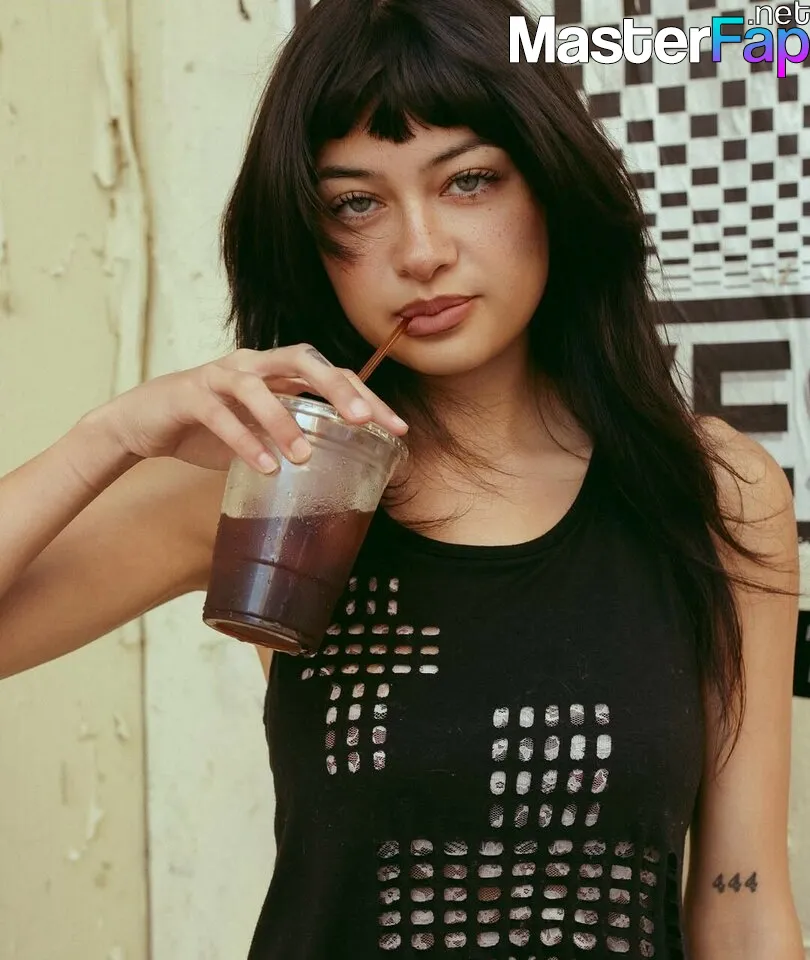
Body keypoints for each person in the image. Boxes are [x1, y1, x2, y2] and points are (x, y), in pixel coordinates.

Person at [0, 0, 804, 956]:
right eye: (357, 202)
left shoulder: (713, 491)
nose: (421, 252)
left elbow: (743, 899)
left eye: (468, 180)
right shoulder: (288, 480)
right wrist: (111, 434)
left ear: (550, 183)